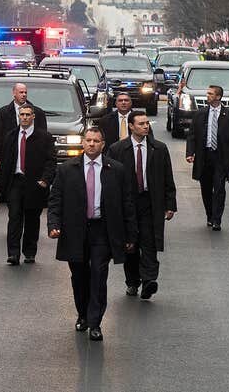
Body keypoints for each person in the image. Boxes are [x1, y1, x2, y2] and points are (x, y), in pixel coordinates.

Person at [47, 127, 136, 341]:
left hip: (102, 231)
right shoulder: (67, 169)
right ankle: (82, 314)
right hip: (75, 230)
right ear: (82, 143)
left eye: (96, 140)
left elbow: (127, 204)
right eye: (88, 140)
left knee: (98, 275)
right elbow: (55, 200)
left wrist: (130, 235)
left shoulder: (116, 170)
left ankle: (95, 322)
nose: (92, 144)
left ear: (103, 144)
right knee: (79, 276)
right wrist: (53, 224)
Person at [108, 111, 177, 299]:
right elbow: (109, 179)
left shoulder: (159, 148)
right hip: (127, 204)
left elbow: (167, 177)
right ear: (131, 126)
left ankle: (149, 281)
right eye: (141, 123)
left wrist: (170, 204)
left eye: (147, 123)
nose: (145, 126)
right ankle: (132, 281)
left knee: (149, 242)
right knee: (130, 245)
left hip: (150, 202)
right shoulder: (117, 150)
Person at [0, 104, 55, 265]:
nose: (24, 117)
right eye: (22, 115)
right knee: (14, 217)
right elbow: (6, 161)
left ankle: (29, 252)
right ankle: (13, 253)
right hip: (15, 181)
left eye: (28, 114)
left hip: (34, 184)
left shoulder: (44, 137)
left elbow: (51, 162)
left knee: (31, 219)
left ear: (33, 116)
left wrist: (45, 180)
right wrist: (2, 185)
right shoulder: (11, 136)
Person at [186, 84, 229, 229]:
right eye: (207, 93)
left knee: (219, 188)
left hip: (221, 157)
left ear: (218, 96)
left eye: (211, 94)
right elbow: (192, 135)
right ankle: (210, 215)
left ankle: (217, 219)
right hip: (205, 156)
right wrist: (190, 153)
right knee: (205, 188)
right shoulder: (200, 113)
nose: (207, 96)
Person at [0, 83, 47, 171]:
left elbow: (44, 138)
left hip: (32, 157)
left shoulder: (38, 113)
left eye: (25, 92)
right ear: (14, 93)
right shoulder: (3, 113)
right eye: (21, 92)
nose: (24, 95)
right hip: (9, 157)